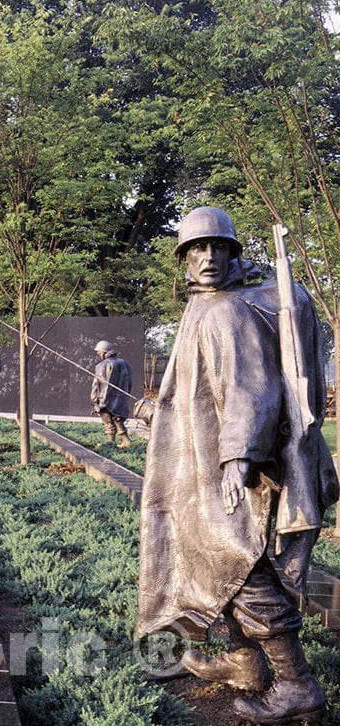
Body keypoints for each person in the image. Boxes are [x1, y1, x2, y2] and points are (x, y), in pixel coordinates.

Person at [137, 206, 339, 723]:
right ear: (184, 259)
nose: (207, 257)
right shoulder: (209, 305)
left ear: (232, 253)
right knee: (215, 557)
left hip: (240, 466)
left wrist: (237, 457)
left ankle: (297, 685)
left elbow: (250, 387)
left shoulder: (228, 311)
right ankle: (243, 662)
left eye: (217, 247)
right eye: (196, 249)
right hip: (207, 462)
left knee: (238, 560)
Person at [90, 339, 133, 448]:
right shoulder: (125, 363)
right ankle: (126, 440)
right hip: (120, 398)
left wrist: (94, 399)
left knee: (108, 422)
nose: (98, 354)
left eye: (99, 352)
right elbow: (130, 381)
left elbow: (96, 384)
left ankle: (111, 442)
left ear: (104, 352)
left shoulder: (101, 366)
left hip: (105, 399)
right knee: (117, 418)